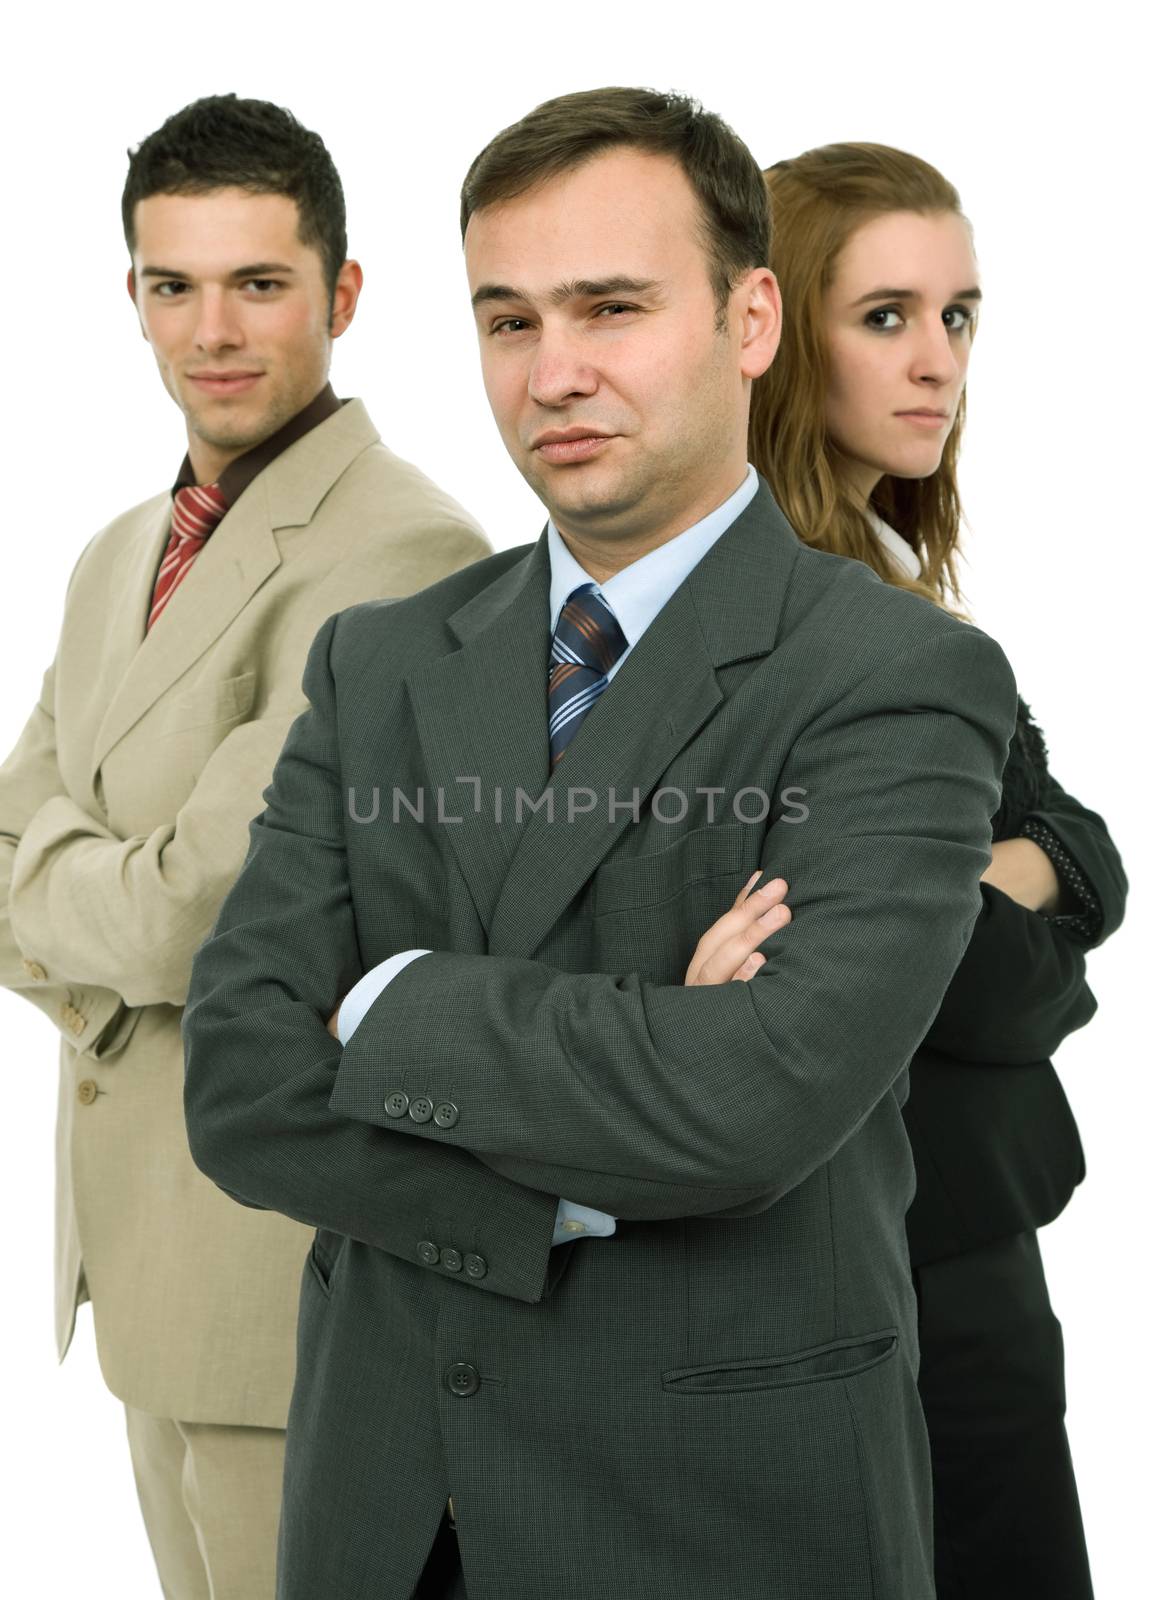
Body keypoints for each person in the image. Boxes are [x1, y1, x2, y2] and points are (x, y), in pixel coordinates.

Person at [183, 89, 1018, 1600]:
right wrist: (616, 1104)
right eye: (508, 321)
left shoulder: (896, 674)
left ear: (750, 318)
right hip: (385, 1515)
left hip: (715, 1518)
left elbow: (753, 1103)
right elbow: (240, 1085)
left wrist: (381, 1003)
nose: (552, 374)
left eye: (611, 309)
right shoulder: (378, 661)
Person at [0, 94, 489, 1599]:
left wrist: (71, 904)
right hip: (143, 1263)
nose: (213, 329)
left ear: (342, 297)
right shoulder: (110, 555)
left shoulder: (402, 552)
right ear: (132, 297)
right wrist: (93, 892)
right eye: (174, 285)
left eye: (259, 283)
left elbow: (187, 916)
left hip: (281, 1270)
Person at [748, 141, 1127, 1599]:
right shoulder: (781, 616)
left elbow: (1089, 855)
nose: (936, 364)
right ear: (775, 334)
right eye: (885, 316)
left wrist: (999, 882)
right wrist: (998, 888)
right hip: (865, 1243)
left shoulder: (911, 600)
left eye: (957, 316)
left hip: (964, 1227)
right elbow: (959, 981)